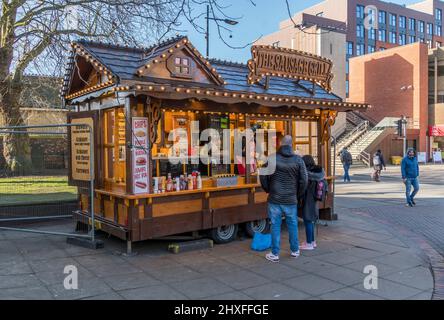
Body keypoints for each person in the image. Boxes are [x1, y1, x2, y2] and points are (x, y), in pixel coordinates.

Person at [259, 135, 308, 262]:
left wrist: (268, 189)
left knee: (275, 226)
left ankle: (275, 253)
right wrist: (297, 194)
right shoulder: (298, 160)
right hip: (291, 199)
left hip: (275, 198)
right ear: (291, 144)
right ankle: (295, 250)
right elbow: (304, 180)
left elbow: (263, 175)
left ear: (281, 144)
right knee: (293, 225)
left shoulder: (272, 158)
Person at [299, 155, 327, 250]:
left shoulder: (307, 174)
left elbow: (303, 188)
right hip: (315, 200)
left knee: (307, 221)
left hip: (308, 199)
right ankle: (312, 241)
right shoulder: (320, 172)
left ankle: (309, 243)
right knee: (312, 221)